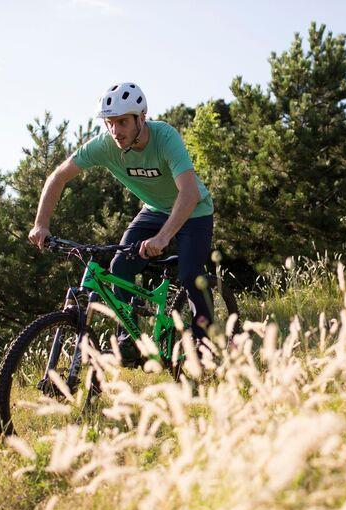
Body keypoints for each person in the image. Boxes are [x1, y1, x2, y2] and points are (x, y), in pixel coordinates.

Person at [28, 82, 214, 367]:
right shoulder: (104, 146)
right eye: (110, 123)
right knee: (120, 267)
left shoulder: (165, 137)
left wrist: (163, 238)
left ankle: (206, 343)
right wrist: (41, 224)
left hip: (194, 210)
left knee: (190, 275)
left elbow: (188, 193)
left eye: (123, 122)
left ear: (141, 117)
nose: (116, 130)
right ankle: (129, 340)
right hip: (154, 210)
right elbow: (59, 176)